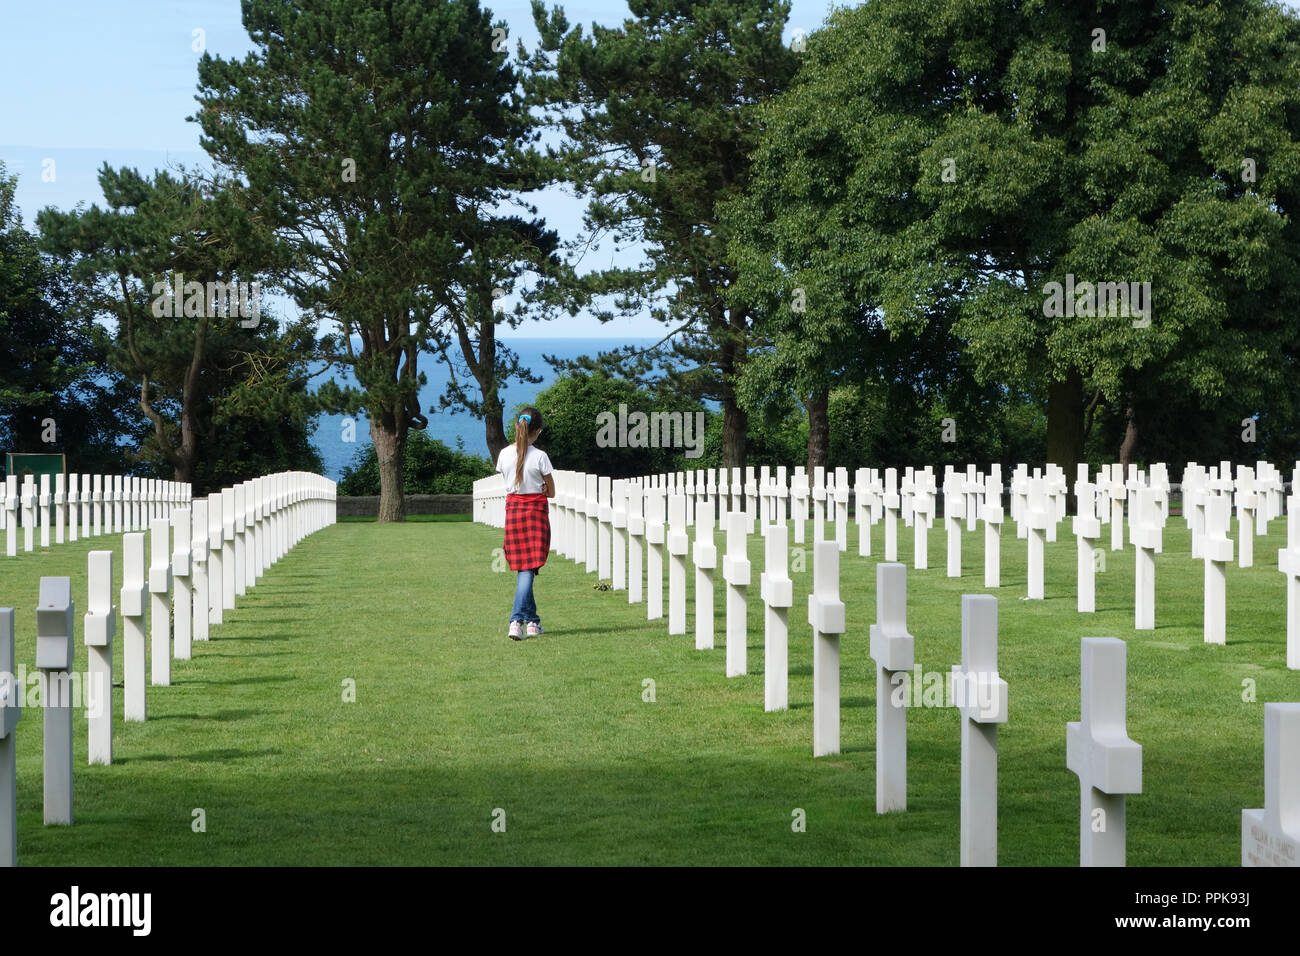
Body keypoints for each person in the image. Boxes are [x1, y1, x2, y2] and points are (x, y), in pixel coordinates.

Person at [496, 406, 555, 640]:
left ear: (516, 426)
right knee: (528, 567)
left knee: (525, 567)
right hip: (536, 513)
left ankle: (533, 622)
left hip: (514, 512)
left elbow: (509, 482)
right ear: (538, 431)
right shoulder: (540, 456)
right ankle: (516, 620)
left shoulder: (503, 455)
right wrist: (541, 487)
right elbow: (552, 491)